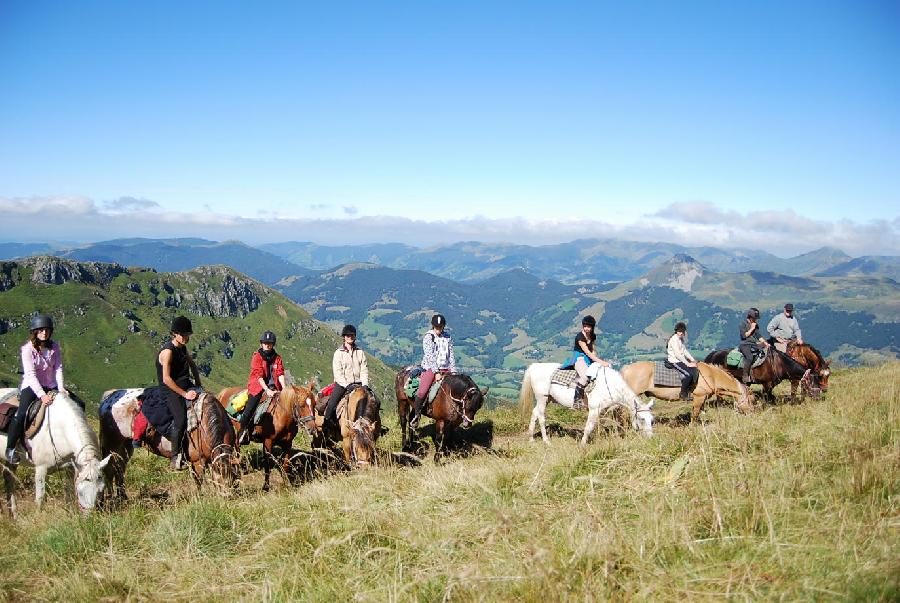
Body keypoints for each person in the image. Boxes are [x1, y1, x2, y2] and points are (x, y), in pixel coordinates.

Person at [5, 314, 66, 465]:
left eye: (46, 330)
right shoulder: (27, 350)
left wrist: (61, 387)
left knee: (78, 403)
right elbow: (31, 375)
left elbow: (58, 368)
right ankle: (10, 449)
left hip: (51, 385)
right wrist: (42, 395)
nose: (44, 333)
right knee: (21, 414)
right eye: (40, 330)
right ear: (35, 332)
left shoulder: (54, 347)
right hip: (32, 386)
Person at [156, 315, 202, 470]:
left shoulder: (182, 348)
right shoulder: (168, 351)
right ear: (175, 334)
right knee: (181, 419)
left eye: (187, 335)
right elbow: (166, 379)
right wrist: (184, 394)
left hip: (186, 384)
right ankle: (176, 457)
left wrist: (199, 385)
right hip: (170, 390)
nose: (186, 338)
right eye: (183, 335)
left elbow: (192, 365)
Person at [237, 331, 286, 445]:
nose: (267, 345)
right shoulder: (257, 357)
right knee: (250, 408)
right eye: (265, 343)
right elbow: (258, 375)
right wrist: (266, 390)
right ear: (261, 344)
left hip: (274, 387)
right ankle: (242, 432)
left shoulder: (277, 358)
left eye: (270, 343)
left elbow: (280, 373)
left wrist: (284, 388)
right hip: (258, 387)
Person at [410, 314, 456, 428]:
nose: (439, 329)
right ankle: (416, 415)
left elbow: (451, 355)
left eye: (440, 327)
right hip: (431, 368)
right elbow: (429, 355)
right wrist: (436, 373)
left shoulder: (447, 337)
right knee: (422, 391)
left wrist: (454, 371)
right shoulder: (428, 337)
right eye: (437, 327)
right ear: (433, 326)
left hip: (446, 369)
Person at [323, 324, 369, 432]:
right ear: (344, 337)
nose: (350, 337)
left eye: (352, 335)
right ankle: (326, 427)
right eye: (348, 335)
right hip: (343, 384)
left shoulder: (360, 352)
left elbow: (364, 369)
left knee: (375, 401)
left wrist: (365, 384)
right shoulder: (338, 353)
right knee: (331, 404)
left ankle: (375, 427)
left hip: (359, 383)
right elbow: (338, 373)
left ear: (355, 336)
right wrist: (347, 385)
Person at [567, 315, 611, 406]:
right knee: (585, 377)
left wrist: (597, 361)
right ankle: (577, 402)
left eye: (589, 327)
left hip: (589, 357)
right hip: (579, 358)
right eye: (585, 326)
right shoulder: (580, 337)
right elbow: (588, 353)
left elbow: (593, 350)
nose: (587, 328)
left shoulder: (592, 336)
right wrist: (601, 362)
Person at [666, 322, 698, 400]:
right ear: (676, 331)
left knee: (694, 370)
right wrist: (687, 363)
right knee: (688, 374)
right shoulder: (674, 340)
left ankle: (690, 389)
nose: (681, 333)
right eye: (679, 331)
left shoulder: (680, 339)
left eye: (682, 331)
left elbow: (684, 351)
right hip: (674, 361)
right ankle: (683, 394)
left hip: (680, 360)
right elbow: (678, 355)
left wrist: (693, 360)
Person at [739, 307, 769, 384]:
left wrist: (766, 344)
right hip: (745, 345)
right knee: (749, 357)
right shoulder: (743, 324)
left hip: (754, 344)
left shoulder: (755, 325)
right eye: (754, 318)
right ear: (750, 317)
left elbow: (759, 336)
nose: (756, 320)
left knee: (765, 353)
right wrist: (752, 328)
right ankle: (745, 376)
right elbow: (744, 336)